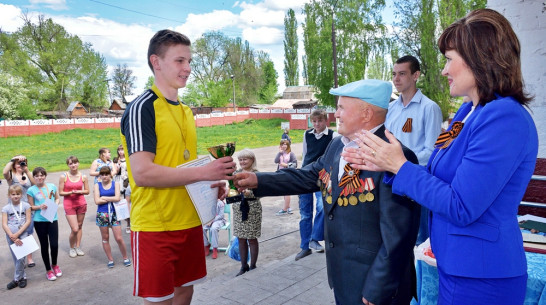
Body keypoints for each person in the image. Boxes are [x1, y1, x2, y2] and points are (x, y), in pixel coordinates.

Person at [342, 9, 538, 305]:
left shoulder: (504, 118)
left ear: (479, 58)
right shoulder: (468, 112)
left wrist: (400, 165)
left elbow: (461, 205)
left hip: (482, 277)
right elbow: (437, 174)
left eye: (449, 59)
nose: (444, 70)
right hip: (458, 266)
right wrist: (386, 165)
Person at [235, 79, 420, 305]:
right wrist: (257, 179)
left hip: (376, 286)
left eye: (342, 108)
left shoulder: (397, 157)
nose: (336, 115)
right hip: (343, 276)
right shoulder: (337, 145)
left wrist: (377, 287)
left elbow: (399, 236)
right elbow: (309, 175)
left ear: (367, 113)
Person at [120, 29, 235, 305]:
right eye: (180, 61)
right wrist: (203, 172)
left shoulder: (185, 110)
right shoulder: (142, 108)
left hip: (190, 221)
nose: (188, 68)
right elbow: (143, 173)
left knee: (186, 292)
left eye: (189, 61)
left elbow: (183, 165)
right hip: (155, 227)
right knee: (159, 300)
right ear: (156, 62)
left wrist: (210, 183)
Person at [386, 55, 443, 245]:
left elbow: (433, 152)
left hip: (417, 183)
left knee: (420, 240)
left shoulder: (429, 108)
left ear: (416, 75)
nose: (396, 79)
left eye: (402, 74)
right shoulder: (391, 109)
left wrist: (401, 162)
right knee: (396, 239)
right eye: (394, 74)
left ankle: (421, 275)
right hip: (392, 181)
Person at [296, 109, 338, 261]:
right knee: (305, 213)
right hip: (306, 174)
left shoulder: (333, 135)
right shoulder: (307, 134)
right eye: (314, 121)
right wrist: (300, 173)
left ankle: (315, 237)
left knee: (322, 206)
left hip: (323, 176)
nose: (317, 124)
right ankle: (305, 246)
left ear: (325, 120)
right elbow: (305, 154)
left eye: (319, 121)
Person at [27, 167, 61, 281]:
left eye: (41, 175)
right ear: (34, 177)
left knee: (54, 244)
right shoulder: (31, 190)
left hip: (52, 218)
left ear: (45, 176)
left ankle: (55, 265)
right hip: (39, 220)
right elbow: (31, 207)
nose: (39, 177)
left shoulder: (52, 186)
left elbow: (57, 198)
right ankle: (48, 270)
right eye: (37, 176)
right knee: (44, 245)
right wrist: (40, 206)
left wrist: (54, 205)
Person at [232, 149, 262, 276]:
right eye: (240, 159)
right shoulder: (236, 173)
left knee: (252, 238)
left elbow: (260, 193)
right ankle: (243, 266)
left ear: (252, 160)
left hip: (253, 209)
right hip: (239, 209)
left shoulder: (257, 174)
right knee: (241, 238)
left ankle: (253, 266)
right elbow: (232, 190)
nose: (242, 161)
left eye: (245, 159)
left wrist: (248, 193)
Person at [93, 166, 130, 269]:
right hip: (102, 214)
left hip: (114, 213)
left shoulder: (116, 184)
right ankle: (110, 259)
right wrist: (111, 199)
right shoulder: (97, 185)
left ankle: (125, 257)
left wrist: (104, 197)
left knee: (118, 238)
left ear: (110, 175)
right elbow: (97, 201)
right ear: (100, 175)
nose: (104, 176)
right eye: (102, 174)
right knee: (105, 238)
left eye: (106, 174)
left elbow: (117, 198)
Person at [3, 155, 36, 267]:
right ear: (14, 165)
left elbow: (35, 184)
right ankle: (19, 258)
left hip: (27, 208)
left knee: (29, 233)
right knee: (16, 233)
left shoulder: (27, 173)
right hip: (14, 210)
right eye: (18, 163)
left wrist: (26, 170)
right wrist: (13, 159)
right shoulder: (11, 176)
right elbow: (4, 172)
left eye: (22, 163)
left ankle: (29, 258)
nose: (20, 165)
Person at [59, 156, 89, 258]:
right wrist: (70, 192)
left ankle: (78, 246)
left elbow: (87, 191)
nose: (73, 165)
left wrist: (79, 191)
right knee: (75, 228)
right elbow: (61, 192)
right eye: (71, 163)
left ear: (78, 163)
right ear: (68, 165)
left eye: (75, 163)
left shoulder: (83, 176)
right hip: (69, 204)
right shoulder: (64, 176)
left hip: (81, 203)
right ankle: (72, 248)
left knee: (80, 226)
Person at [2, 184, 31, 289]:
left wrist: (18, 234)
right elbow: (4, 224)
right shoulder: (6, 208)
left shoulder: (26, 206)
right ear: (9, 195)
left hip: (22, 234)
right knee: (16, 257)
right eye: (13, 194)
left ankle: (16, 279)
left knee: (21, 257)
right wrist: (11, 235)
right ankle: (23, 277)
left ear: (21, 194)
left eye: (18, 194)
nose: (15, 196)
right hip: (10, 236)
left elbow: (28, 221)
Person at [274, 139, 297, 216]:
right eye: (282, 144)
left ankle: (284, 209)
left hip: (288, 174)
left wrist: (286, 165)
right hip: (280, 174)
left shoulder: (291, 154)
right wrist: (279, 153)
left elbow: (295, 164)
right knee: (284, 191)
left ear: (288, 145)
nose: (284, 146)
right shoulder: (280, 154)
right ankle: (288, 207)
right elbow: (276, 161)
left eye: (285, 144)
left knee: (286, 192)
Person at [115, 144, 131, 234]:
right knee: (123, 203)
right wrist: (118, 165)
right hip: (120, 182)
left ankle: (130, 222)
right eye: (119, 150)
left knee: (129, 202)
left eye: (122, 150)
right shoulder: (116, 160)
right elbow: (115, 172)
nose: (120, 152)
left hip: (128, 181)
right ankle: (127, 224)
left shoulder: (129, 159)